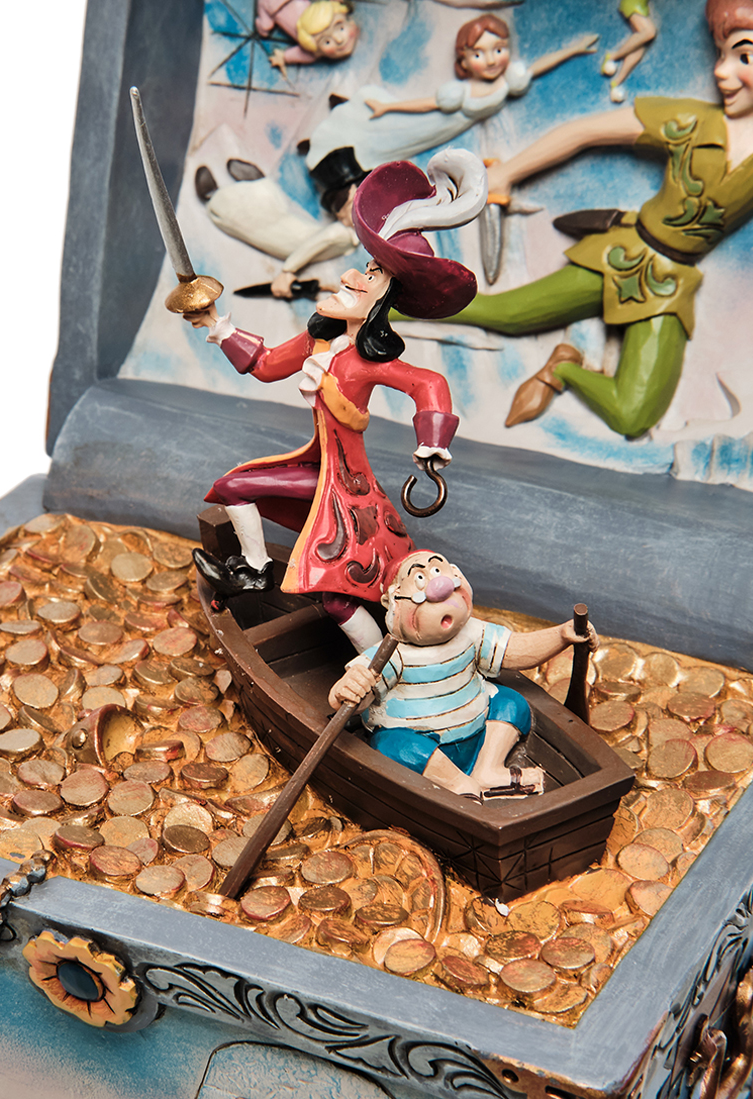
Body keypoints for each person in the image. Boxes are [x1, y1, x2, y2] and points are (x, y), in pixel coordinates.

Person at [429, 0, 753, 439]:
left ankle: (563, 368)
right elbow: (582, 132)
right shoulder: (690, 121)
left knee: (633, 415)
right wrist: (507, 173)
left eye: (744, 57)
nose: (722, 71)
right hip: (624, 251)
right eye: (721, 54)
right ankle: (389, 310)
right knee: (508, 313)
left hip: (670, 284)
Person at [184, 151, 486, 652]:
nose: (351, 276)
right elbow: (264, 364)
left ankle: (379, 666)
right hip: (319, 468)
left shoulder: (367, 361)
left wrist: (432, 443)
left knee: (335, 595)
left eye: (372, 274)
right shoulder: (319, 342)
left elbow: (428, 383)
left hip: (348, 487)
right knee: (233, 487)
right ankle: (255, 570)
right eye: (364, 266)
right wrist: (217, 326)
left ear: (382, 299)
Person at [328, 551, 598, 798]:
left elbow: (517, 649)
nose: (438, 586)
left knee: (511, 702)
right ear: (394, 601)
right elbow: (355, 698)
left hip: (479, 734)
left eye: (438, 570)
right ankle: (458, 786)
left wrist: (561, 635)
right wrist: (348, 689)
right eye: (420, 577)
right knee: (391, 744)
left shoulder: (472, 633)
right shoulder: (393, 653)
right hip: (425, 749)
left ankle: (488, 769)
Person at [303, 15, 596, 172]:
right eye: (479, 54)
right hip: (431, 123)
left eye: (498, 50)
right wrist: (387, 108)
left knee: (403, 145)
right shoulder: (460, 91)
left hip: (445, 132)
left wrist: (572, 49)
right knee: (391, 135)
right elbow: (427, 105)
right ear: (464, 61)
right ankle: (340, 139)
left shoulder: (508, 82)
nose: (491, 60)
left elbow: (537, 67)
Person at [195, 147, 367, 299]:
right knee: (268, 216)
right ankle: (248, 186)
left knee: (258, 221)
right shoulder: (339, 232)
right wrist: (288, 271)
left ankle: (219, 195)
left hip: (289, 242)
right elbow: (311, 246)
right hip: (294, 239)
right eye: (350, 206)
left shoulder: (351, 237)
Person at [260, 0, 359, 77]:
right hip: (269, 6)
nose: (339, 40)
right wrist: (282, 57)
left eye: (341, 28)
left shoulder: (325, 12)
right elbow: (287, 55)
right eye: (327, 42)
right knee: (264, 28)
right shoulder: (311, 54)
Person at [601, 0, 658, 103]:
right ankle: (613, 56)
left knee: (639, 48)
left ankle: (616, 83)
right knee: (649, 32)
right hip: (632, 4)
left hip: (640, 6)